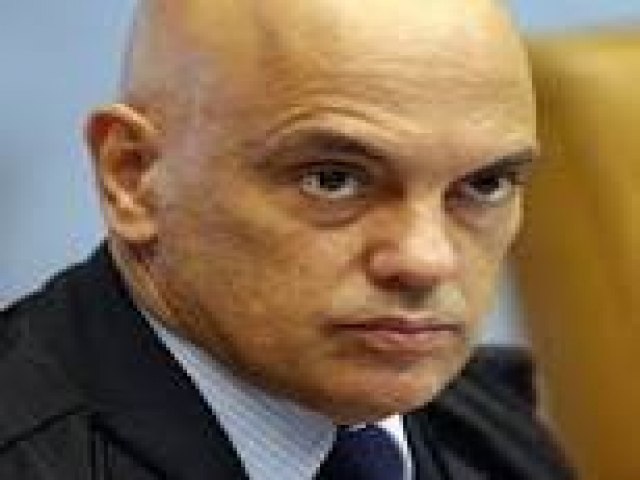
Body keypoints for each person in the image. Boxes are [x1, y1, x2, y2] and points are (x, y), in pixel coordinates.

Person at [0, 0, 573, 478]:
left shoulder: (488, 423)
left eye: (485, 185)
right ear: (133, 176)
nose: (426, 260)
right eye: (333, 180)